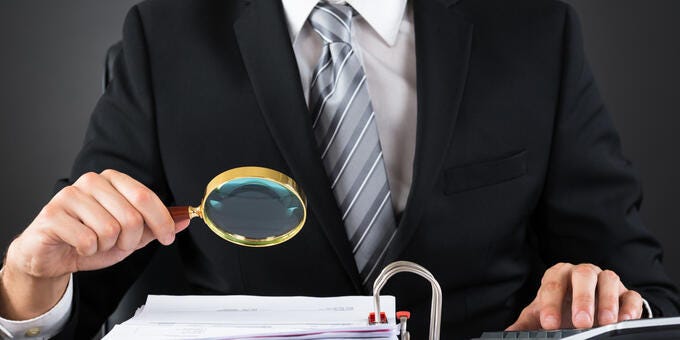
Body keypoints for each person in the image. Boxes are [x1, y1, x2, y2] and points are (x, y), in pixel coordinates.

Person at [1, 0, 679, 338]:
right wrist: (28, 285)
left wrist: (605, 303)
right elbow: (77, 294)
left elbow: (646, 294)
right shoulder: (166, 34)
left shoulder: (533, 28)